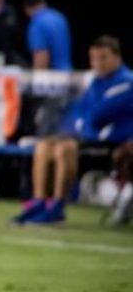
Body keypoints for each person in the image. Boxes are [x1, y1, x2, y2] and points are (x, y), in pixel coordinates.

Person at [13, 36, 133, 225]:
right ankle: (39, 202)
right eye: (94, 59)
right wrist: (81, 123)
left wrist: (82, 123)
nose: (98, 64)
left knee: (65, 148)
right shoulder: (96, 82)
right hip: (91, 138)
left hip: (113, 142)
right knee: (44, 145)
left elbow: (98, 116)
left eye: (103, 58)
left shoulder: (126, 82)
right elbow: (77, 111)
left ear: (117, 58)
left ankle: (58, 207)